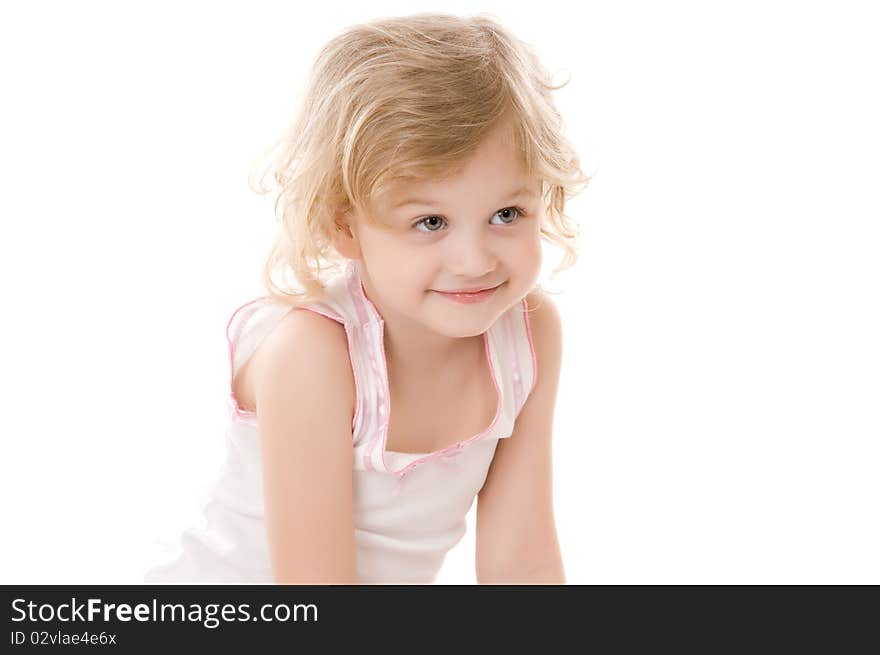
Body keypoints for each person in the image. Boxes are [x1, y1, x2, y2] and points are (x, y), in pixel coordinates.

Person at [144, 11, 590, 585]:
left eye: (507, 214)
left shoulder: (526, 330)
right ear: (344, 226)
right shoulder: (313, 355)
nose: (476, 261)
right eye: (430, 221)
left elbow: (520, 561)